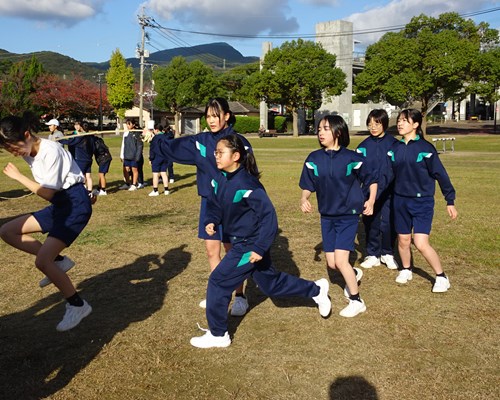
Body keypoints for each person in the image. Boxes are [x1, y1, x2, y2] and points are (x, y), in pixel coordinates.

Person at [190, 134, 331, 348]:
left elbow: (269, 219)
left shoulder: (249, 185)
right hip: (240, 243)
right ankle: (317, 290)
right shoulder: (219, 178)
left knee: (218, 281)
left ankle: (219, 335)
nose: (216, 156)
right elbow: (214, 204)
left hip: (249, 245)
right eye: (215, 152)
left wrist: (259, 247)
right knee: (272, 285)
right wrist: (211, 220)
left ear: (236, 156)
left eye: (221, 153)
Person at [156, 98, 250, 316]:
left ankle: (240, 296)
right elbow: (174, 147)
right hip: (210, 203)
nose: (211, 120)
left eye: (216, 116)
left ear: (227, 116)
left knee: (232, 251)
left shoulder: (239, 142)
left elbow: (249, 174)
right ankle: (219, 294)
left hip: (233, 205)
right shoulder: (201, 141)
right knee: (211, 251)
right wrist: (158, 139)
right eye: (208, 116)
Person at [0, 113, 93, 331]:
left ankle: (78, 305)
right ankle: (59, 261)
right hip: (62, 203)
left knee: (42, 262)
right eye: (9, 150)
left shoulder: (50, 151)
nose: (15, 152)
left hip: (73, 205)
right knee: (8, 231)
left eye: (15, 147)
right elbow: (67, 176)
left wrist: (19, 178)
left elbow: (49, 193)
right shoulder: (28, 150)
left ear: (26, 134)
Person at [299, 115, 378, 318]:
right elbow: (308, 185)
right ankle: (353, 273)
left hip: (348, 215)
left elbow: (372, 180)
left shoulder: (353, 158)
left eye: (325, 128)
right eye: (319, 129)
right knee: (332, 263)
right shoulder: (313, 159)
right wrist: (304, 198)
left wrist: (370, 201)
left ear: (338, 132)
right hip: (327, 216)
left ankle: (356, 300)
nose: (321, 132)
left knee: (341, 261)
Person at [388, 109, 458, 292]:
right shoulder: (394, 148)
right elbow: (387, 175)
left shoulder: (426, 149)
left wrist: (449, 200)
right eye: (399, 120)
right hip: (400, 200)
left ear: (416, 124)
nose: (400, 123)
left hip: (422, 202)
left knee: (420, 243)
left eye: (405, 120)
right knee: (403, 240)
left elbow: (441, 175)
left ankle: (441, 277)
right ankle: (406, 269)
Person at [357, 109, 399, 270]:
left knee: (388, 223)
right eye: (370, 123)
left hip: (390, 192)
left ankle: (387, 252)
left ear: (384, 124)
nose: (372, 127)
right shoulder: (363, 146)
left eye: (377, 123)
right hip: (369, 193)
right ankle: (372, 253)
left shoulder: (394, 144)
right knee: (371, 222)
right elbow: (358, 171)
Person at [60, 121, 94, 193]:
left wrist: (60, 140)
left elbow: (71, 142)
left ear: (81, 127)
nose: (77, 127)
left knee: (80, 176)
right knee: (88, 176)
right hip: (88, 159)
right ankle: (89, 191)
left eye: (79, 125)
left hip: (81, 159)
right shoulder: (90, 136)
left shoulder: (81, 136)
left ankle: (83, 191)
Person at [119, 119, 144, 191]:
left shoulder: (137, 133)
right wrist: (122, 155)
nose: (127, 125)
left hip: (134, 155)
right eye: (127, 124)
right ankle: (127, 183)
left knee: (134, 169)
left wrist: (137, 156)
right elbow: (123, 145)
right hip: (126, 155)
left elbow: (140, 146)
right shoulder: (126, 133)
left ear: (133, 125)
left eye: (129, 124)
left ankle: (134, 184)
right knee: (125, 170)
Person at [148, 124, 170, 196]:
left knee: (155, 174)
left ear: (156, 130)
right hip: (165, 157)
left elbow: (152, 149)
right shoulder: (166, 137)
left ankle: (155, 190)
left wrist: (151, 158)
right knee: (164, 173)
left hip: (157, 158)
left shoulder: (155, 138)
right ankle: (166, 190)